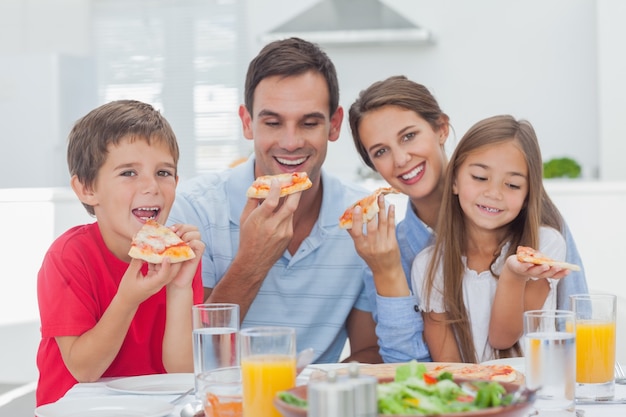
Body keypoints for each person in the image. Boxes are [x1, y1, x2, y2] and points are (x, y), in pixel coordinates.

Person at [168, 37, 381, 364]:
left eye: (309, 123)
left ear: (334, 125)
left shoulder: (361, 216)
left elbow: (368, 351)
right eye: (272, 122)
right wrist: (252, 260)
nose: (291, 142)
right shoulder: (193, 210)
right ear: (247, 123)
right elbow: (194, 360)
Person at [346, 76, 588, 362]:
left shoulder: (541, 230)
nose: (400, 159)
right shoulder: (390, 254)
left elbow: (578, 324)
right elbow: (413, 370)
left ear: (441, 128)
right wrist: (388, 273)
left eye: (409, 136)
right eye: (381, 151)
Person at [36, 100, 205, 406]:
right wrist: (128, 299)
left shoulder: (180, 256)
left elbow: (182, 370)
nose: (151, 186)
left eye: (164, 173)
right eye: (129, 173)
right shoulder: (68, 257)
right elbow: (84, 369)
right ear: (88, 189)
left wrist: (179, 289)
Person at [413, 114, 571, 362]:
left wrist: (514, 274)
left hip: (533, 394)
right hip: (471, 397)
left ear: (528, 195)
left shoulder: (545, 244)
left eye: (512, 185)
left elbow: (503, 338)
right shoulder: (429, 265)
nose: (494, 193)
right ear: (454, 180)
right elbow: (449, 369)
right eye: (479, 177)